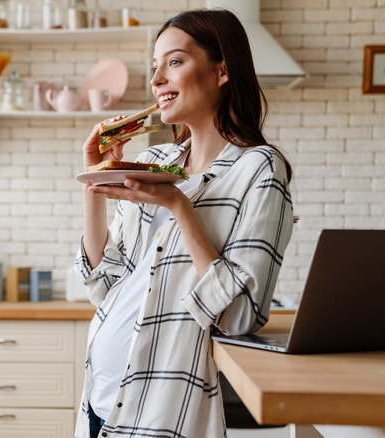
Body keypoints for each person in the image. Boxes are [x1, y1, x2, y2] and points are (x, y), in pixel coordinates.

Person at [73, 8, 294, 438]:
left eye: (174, 62)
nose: (156, 80)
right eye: (155, 67)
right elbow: (103, 285)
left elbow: (239, 316)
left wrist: (179, 206)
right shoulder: (155, 162)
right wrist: (94, 181)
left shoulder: (259, 170)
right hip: (99, 403)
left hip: (163, 410)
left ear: (222, 70)